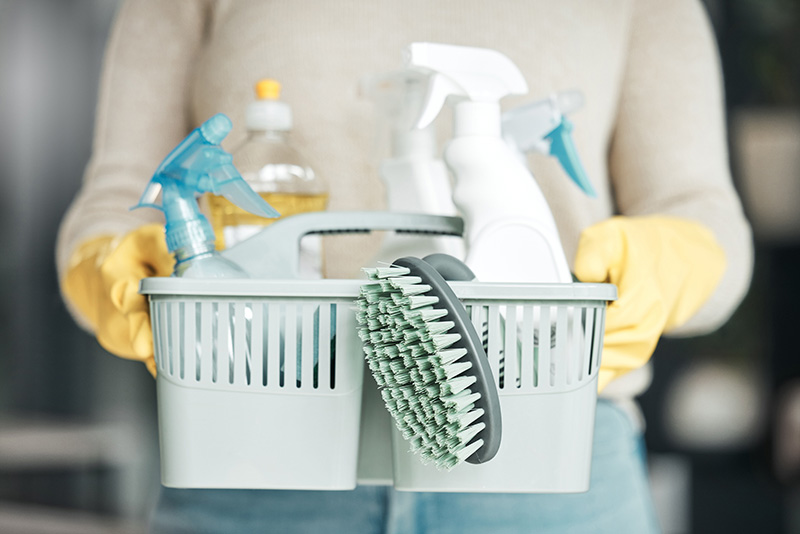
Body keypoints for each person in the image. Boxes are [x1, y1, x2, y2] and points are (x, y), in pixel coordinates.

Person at [57, 0, 753, 532]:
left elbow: (701, 207)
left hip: (546, 464)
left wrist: (672, 261)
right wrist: (108, 263)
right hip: (259, 454)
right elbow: (123, 193)